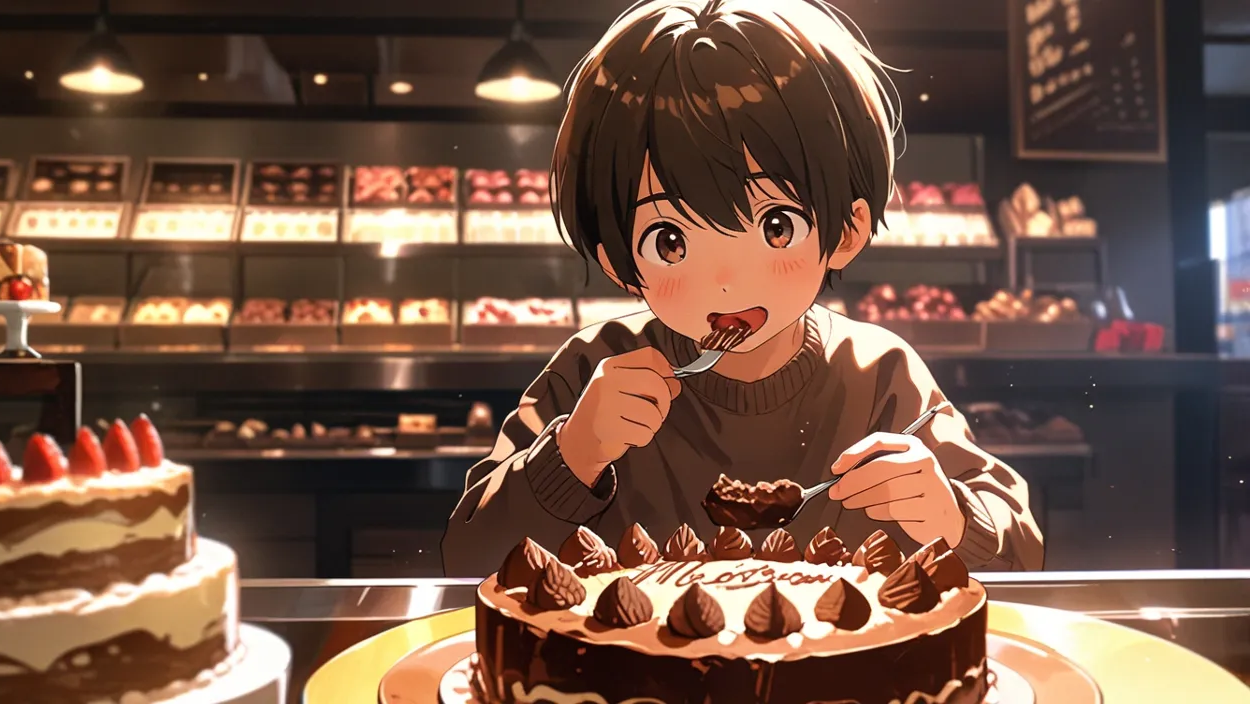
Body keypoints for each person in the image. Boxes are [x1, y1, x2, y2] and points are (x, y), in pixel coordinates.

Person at [442, 0, 1044, 576]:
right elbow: (467, 559)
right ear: (619, 261)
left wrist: (951, 515)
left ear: (848, 230)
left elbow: (1025, 554)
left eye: (775, 226)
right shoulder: (594, 370)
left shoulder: (879, 376)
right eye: (670, 241)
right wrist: (572, 456)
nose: (726, 282)